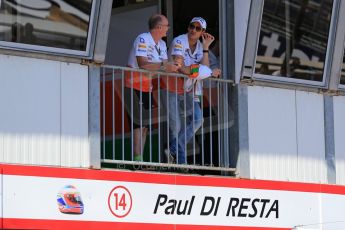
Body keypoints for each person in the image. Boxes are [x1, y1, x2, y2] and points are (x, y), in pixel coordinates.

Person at [162, 17, 221, 164]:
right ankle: (179, 163)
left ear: (202, 32)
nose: (193, 30)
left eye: (197, 28)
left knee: (197, 119)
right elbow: (179, 66)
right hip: (172, 88)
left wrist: (206, 47)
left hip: (189, 90)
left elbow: (205, 69)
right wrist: (201, 71)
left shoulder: (201, 46)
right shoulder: (179, 41)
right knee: (176, 126)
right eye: (191, 26)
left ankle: (174, 150)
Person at [125, 14, 178, 162]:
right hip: (133, 85)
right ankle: (137, 161)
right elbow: (143, 64)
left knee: (145, 126)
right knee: (138, 124)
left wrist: (177, 66)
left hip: (148, 87)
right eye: (167, 25)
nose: (168, 28)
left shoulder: (161, 44)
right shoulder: (143, 38)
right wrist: (164, 66)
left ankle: (139, 159)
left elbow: (165, 66)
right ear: (159, 27)